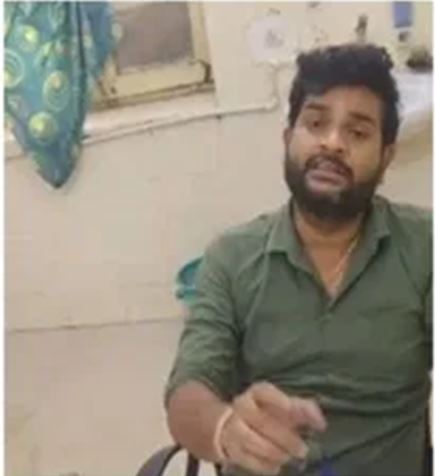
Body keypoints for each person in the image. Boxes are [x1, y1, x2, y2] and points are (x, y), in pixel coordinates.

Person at [164, 43, 432, 476]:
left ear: (386, 158)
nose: (333, 143)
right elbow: (188, 393)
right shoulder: (231, 257)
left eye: (357, 132)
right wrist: (225, 429)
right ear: (289, 139)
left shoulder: (424, 246)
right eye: (316, 123)